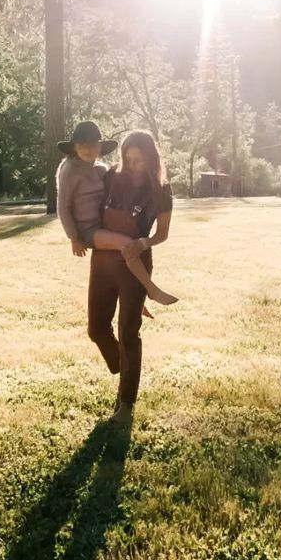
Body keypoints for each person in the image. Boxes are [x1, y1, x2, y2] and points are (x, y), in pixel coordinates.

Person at [85, 130, 175, 418]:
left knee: (128, 333)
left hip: (135, 264)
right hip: (102, 263)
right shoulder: (111, 177)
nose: (133, 165)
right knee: (97, 329)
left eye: (139, 160)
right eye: (128, 159)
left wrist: (143, 242)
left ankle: (126, 402)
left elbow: (162, 234)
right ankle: (125, 368)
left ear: (151, 159)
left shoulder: (161, 190)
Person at [56, 121, 177, 306]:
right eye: (82, 146)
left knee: (127, 246)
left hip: (102, 228)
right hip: (87, 230)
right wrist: (74, 238)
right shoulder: (69, 170)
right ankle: (151, 290)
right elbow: (63, 205)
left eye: (93, 146)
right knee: (127, 244)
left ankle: (136, 296)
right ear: (74, 147)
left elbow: (161, 232)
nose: (88, 150)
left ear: (100, 148)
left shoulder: (102, 170)